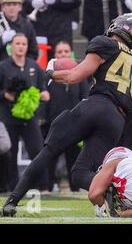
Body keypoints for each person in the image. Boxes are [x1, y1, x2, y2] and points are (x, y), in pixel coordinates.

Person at [0, 13, 132, 217]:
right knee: (80, 174)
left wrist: (49, 73)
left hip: (95, 105)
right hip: (117, 118)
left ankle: (12, 202)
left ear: (117, 27)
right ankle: (115, 193)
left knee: (49, 151)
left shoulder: (105, 43)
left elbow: (74, 76)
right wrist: (117, 121)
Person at [0, 33, 50, 191]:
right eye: (17, 43)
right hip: (8, 117)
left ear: (27, 47)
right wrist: (4, 95)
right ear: (11, 46)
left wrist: (44, 94)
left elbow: (44, 90)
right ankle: (12, 188)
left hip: (29, 118)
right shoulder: (1, 67)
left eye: (24, 44)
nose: (21, 46)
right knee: (10, 153)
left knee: (37, 150)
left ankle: (43, 187)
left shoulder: (34, 67)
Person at [40, 41, 89, 192]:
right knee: (49, 159)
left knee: (74, 160)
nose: (63, 54)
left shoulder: (80, 75)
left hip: (74, 125)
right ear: (54, 56)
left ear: (71, 54)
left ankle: (75, 190)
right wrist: (41, 119)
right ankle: (46, 188)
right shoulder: (47, 75)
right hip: (52, 125)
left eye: (66, 51)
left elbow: (85, 97)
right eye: (59, 52)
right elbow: (42, 99)